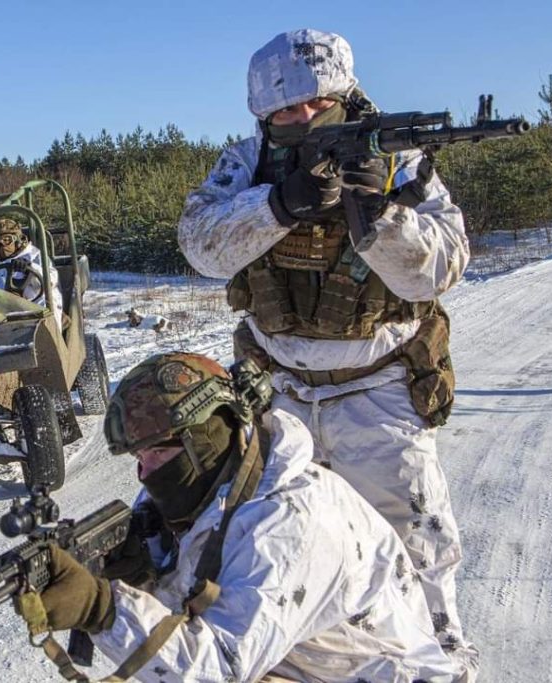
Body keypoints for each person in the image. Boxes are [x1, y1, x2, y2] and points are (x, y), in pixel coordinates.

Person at [176, 29, 476, 672]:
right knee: (269, 541)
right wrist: (278, 205)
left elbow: (444, 266)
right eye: (287, 111)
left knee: (416, 540)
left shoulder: (400, 157)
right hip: (277, 389)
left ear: (345, 93)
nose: (305, 118)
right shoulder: (246, 163)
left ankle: (440, 658)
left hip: (377, 387)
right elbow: (199, 243)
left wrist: (384, 216)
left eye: (319, 104)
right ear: (264, 114)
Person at [17, 352, 466, 682]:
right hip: (303, 663)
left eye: (157, 451)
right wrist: (141, 573)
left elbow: (220, 668)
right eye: (138, 455)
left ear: (208, 436)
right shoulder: (218, 489)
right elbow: (201, 590)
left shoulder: (289, 522)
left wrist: (103, 608)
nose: (144, 471)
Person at [0, 217, 63, 330]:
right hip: (0, 316)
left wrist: (31, 268)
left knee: (50, 300)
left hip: (34, 308)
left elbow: (51, 279)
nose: (2, 246)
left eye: (7, 240)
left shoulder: (34, 256)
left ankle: (53, 336)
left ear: (17, 240)